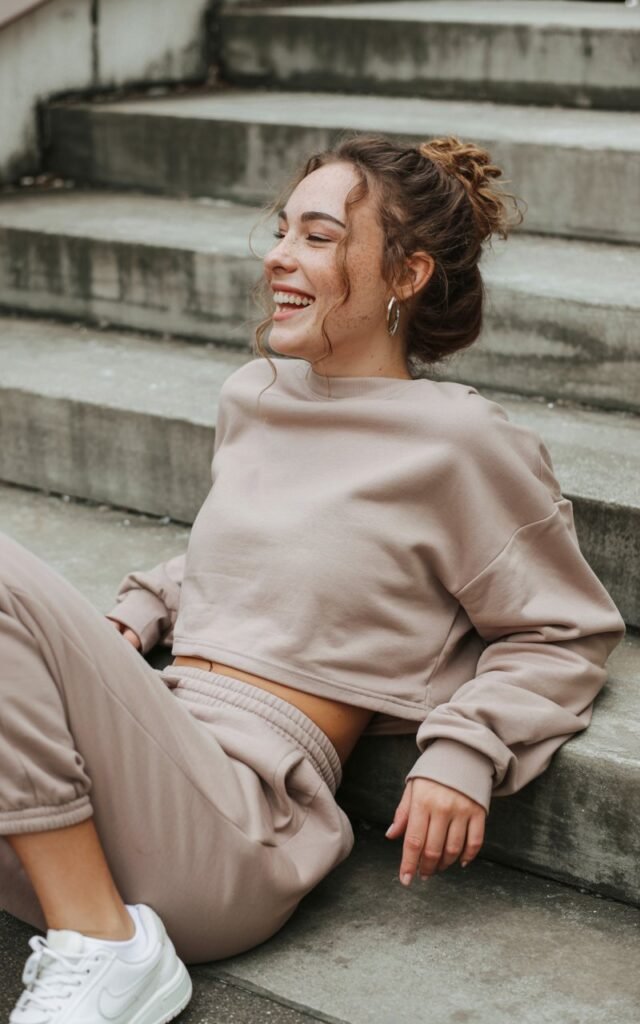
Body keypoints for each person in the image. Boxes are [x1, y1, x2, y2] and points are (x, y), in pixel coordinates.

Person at [1, 134, 625, 1024]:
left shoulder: (459, 442)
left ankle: (105, 945)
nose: (280, 256)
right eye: (283, 230)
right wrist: (141, 606)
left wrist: (466, 748)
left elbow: (563, 629)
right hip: (141, 753)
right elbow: (260, 552)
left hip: (236, 819)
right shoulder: (254, 396)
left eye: (320, 237)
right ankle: (88, 922)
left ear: (405, 276)